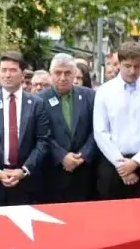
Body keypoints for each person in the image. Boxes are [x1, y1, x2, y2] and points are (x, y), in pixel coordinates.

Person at [0, 50, 48, 207]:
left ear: (22, 74)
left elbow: (43, 141)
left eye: (12, 70)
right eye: (3, 70)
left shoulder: (36, 104)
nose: (7, 75)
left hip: (26, 183)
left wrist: (24, 171)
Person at [93, 42, 140, 200]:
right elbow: (100, 132)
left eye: (137, 66)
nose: (132, 71)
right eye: (127, 66)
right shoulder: (104, 91)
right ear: (119, 64)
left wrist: (136, 162)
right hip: (112, 165)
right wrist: (122, 166)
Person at [36, 53, 97, 203]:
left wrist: (83, 155)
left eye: (67, 73)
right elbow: (41, 134)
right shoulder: (39, 100)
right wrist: (62, 156)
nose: (63, 77)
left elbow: (97, 130)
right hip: (52, 174)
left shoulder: (90, 96)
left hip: (85, 172)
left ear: (75, 74)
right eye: (58, 73)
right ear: (51, 74)